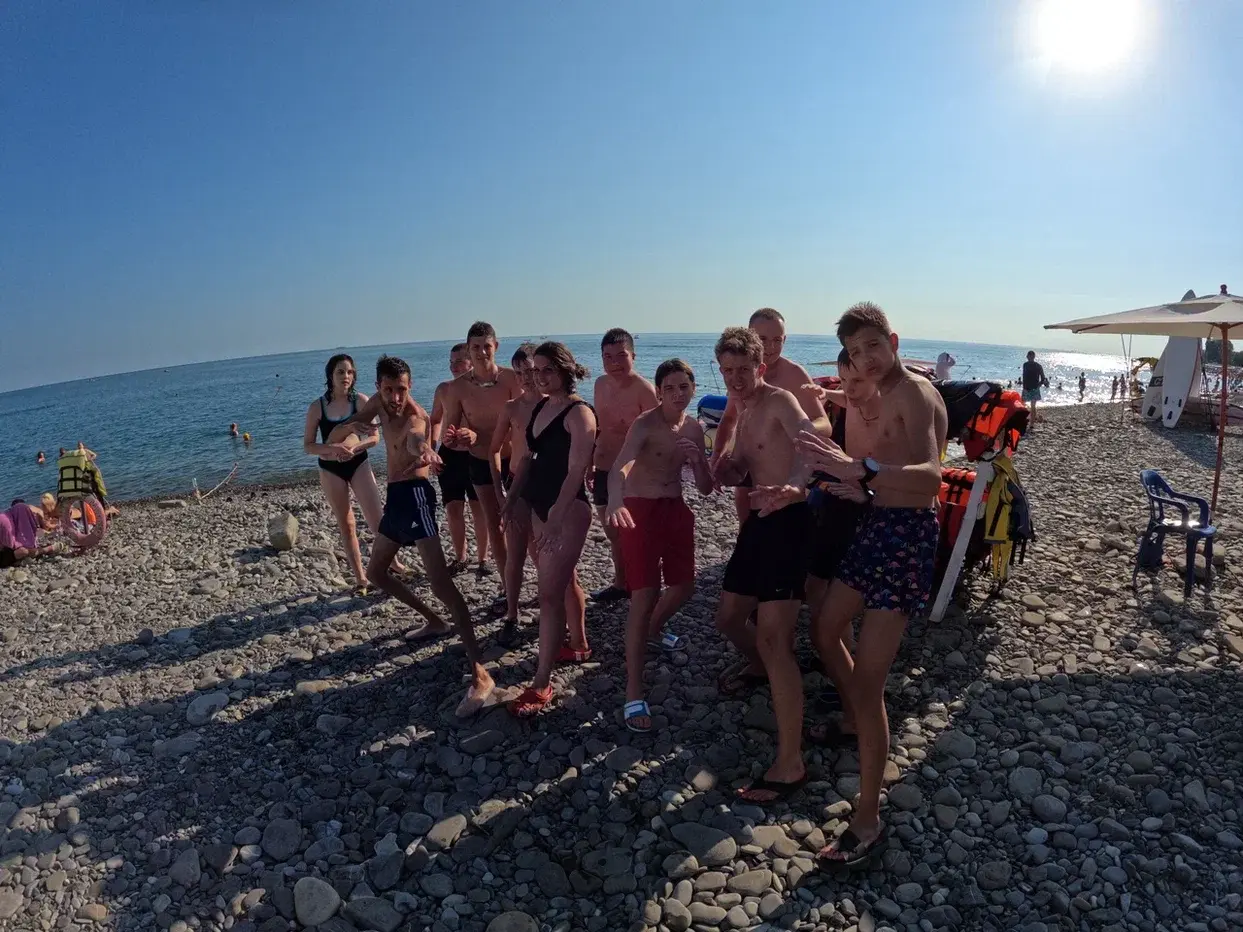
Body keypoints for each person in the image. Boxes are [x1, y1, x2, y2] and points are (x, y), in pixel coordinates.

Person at [796, 301, 947, 866]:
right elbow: (889, 472)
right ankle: (858, 716)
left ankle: (867, 819)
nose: (866, 359)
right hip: (877, 525)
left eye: (872, 347)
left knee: (868, 683)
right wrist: (862, 488)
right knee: (825, 627)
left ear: (894, 341)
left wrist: (866, 472)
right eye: (855, 353)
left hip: (906, 540)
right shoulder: (883, 393)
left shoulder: (915, 393)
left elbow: (931, 477)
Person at [337, 355, 495, 717]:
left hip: (416, 497)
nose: (396, 398)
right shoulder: (380, 404)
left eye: (402, 390)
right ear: (378, 387)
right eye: (389, 390)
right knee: (376, 573)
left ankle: (480, 673)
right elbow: (360, 419)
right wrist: (348, 428)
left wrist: (425, 450)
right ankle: (435, 622)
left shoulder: (415, 416)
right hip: (396, 498)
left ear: (410, 387)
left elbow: (416, 439)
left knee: (441, 585)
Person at [709, 326, 826, 805]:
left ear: (760, 366)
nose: (735, 379)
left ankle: (790, 763)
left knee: (776, 639)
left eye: (743, 369)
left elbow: (810, 445)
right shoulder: (742, 408)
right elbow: (743, 465)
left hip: (790, 522)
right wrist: (721, 466)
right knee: (728, 618)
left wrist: (797, 486)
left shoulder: (779, 400)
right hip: (759, 523)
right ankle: (760, 668)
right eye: (727, 370)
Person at [605, 359, 714, 732]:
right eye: (669, 388)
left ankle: (651, 631)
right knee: (645, 594)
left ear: (693, 388)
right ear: (658, 392)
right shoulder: (645, 424)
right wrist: (615, 500)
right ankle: (634, 691)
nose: (677, 394)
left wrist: (698, 461)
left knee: (685, 587)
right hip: (640, 508)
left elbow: (705, 488)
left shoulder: (695, 428)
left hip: (675, 507)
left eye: (683, 387)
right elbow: (620, 466)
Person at [503, 342, 596, 717]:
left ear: (565, 370)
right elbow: (528, 458)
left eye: (547, 370)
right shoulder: (543, 407)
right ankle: (579, 645)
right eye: (535, 370)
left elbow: (576, 471)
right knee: (564, 579)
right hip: (538, 504)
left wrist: (557, 515)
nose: (539, 376)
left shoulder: (580, 413)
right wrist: (512, 498)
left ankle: (541, 683)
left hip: (568, 510)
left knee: (548, 595)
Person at [709, 308, 828, 524]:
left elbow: (825, 424)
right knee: (745, 505)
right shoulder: (739, 375)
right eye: (763, 339)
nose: (770, 347)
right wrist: (717, 459)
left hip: (782, 462)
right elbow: (729, 419)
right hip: (750, 452)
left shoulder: (793, 375)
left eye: (777, 340)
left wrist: (791, 428)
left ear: (785, 339)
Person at [302, 353, 396, 589]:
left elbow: (374, 437)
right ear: (330, 375)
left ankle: (394, 564)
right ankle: (361, 578)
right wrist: (333, 449)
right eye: (340, 372)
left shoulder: (361, 401)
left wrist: (354, 448)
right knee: (347, 524)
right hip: (330, 468)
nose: (346, 376)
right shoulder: (317, 407)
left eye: (350, 372)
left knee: (377, 519)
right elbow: (308, 446)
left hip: (358, 462)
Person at [440, 322, 521, 596]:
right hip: (480, 462)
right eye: (476, 347)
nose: (482, 352)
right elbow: (450, 434)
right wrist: (460, 437)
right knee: (495, 526)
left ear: (496, 346)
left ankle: (536, 578)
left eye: (487, 346)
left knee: (523, 524)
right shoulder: (458, 388)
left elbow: (523, 422)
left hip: (512, 461)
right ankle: (508, 587)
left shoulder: (512, 379)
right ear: (468, 349)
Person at [590, 328, 658, 603]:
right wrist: (589, 463)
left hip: (632, 473)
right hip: (603, 467)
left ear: (633, 356)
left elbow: (656, 435)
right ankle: (621, 583)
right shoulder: (599, 384)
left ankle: (643, 585)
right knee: (612, 532)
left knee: (635, 532)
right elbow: (598, 429)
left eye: (621, 356)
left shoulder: (644, 390)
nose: (614, 363)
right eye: (608, 357)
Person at [489, 344, 545, 645]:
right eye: (520, 373)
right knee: (516, 553)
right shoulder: (512, 408)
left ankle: (550, 601)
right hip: (516, 486)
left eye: (532, 371)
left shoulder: (554, 405)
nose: (526, 378)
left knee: (545, 549)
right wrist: (500, 491)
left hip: (547, 486)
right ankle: (511, 613)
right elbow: (494, 450)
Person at [431, 343, 490, 575]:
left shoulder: (482, 389)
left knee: (479, 509)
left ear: (471, 362)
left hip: (476, 454)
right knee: (453, 508)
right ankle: (460, 557)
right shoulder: (444, 389)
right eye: (451, 362)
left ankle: (483, 558)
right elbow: (435, 420)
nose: (453, 366)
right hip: (449, 454)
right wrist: (432, 450)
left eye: (459, 361)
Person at [0, 499, 55, 568]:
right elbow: (10, 545)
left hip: (5, 551)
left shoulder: (8, 517)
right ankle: (47, 549)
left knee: (22, 550)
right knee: (22, 551)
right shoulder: (5, 521)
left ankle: (46, 549)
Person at [1021, 351, 1049, 427]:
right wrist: (1038, 385)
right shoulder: (1026, 365)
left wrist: (1038, 385)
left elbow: (1043, 378)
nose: (1029, 357)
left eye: (1029, 356)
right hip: (1028, 388)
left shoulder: (1033, 365)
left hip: (1031, 388)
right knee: (1028, 405)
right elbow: (1024, 376)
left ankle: (1031, 423)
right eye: (1029, 356)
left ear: (1030, 357)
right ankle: (1030, 422)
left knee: (1031, 406)